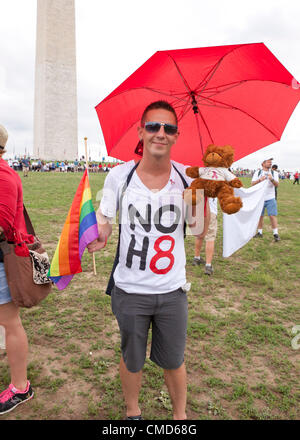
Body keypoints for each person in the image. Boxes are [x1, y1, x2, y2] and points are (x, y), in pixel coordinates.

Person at [88, 101, 208, 420]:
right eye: (153, 126)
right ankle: (132, 412)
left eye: (168, 129)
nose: (160, 134)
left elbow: (200, 230)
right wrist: (98, 235)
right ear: (141, 131)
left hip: (172, 291)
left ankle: (180, 417)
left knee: (174, 360)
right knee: (132, 357)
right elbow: (106, 219)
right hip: (129, 289)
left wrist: (197, 202)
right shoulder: (119, 176)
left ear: (176, 136)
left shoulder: (188, 178)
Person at [0, 124, 34, 415]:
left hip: (3, 260)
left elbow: (3, 224)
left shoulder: (4, 177)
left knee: (10, 322)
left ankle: (21, 386)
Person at [251, 158, 280, 241]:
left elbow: (277, 184)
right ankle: (259, 232)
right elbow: (252, 184)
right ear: (263, 164)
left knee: (272, 215)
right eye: (268, 162)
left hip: (271, 198)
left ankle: (275, 234)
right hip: (260, 198)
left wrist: (272, 179)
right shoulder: (258, 172)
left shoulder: (274, 173)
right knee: (260, 216)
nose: (270, 163)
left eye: (271, 162)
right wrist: (260, 180)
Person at [192, 197, 217, 275]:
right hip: (210, 211)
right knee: (210, 237)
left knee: (199, 235)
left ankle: (196, 258)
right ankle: (208, 265)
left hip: (198, 210)